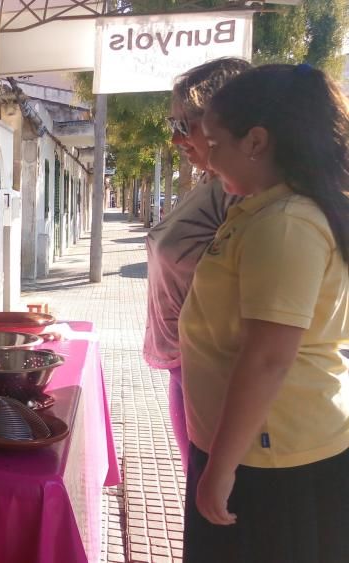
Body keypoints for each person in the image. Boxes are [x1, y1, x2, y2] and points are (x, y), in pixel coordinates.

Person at [180, 63, 349, 561]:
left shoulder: (287, 222)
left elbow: (268, 358)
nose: (206, 160)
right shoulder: (262, 210)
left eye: (214, 143)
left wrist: (221, 468)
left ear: (256, 141)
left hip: (271, 457)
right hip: (247, 445)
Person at [144, 57, 250, 471]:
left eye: (185, 125)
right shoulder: (213, 182)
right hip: (187, 361)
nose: (175, 139)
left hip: (214, 369)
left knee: (211, 485)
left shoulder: (241, 193)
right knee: (198, 481)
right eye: (174, 125)